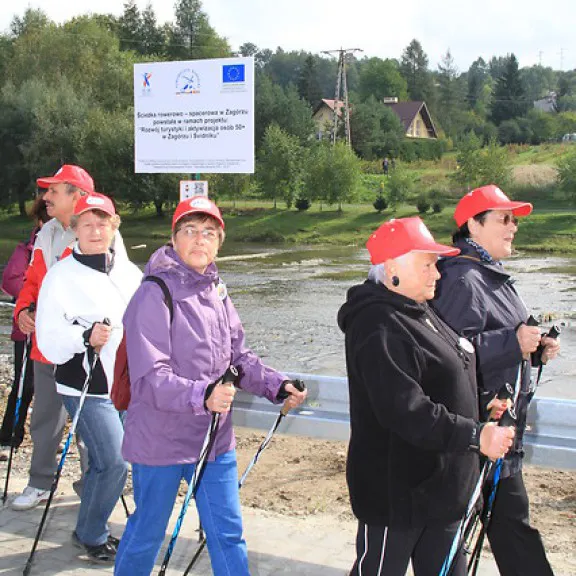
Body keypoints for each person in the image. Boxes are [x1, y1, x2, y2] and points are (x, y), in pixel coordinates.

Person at [115, 196, 307, 576]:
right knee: (147, 532)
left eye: (208, 232)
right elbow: (149, 378)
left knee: (227, 533)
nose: (199, 239)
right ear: (173, 239)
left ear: (219, 241)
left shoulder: (216, 290)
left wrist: (276, 385)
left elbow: (239, 357)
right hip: (160, 438)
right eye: (189, 230)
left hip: (214, 437)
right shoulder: (153, 293)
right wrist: (202, 395)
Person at [337, 216, 515, 576]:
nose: (438, 273)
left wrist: (479, 409)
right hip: (397, 494)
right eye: (428, 264)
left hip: (442, 489)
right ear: (391, 269)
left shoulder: (420, 310)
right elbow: (404, 409)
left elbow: (438, 384)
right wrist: (474, 434)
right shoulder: (377, 325)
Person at [432, 184, 560, 576]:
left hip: (500, 433)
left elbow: (490, 343)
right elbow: (447, 356)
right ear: (473, 224)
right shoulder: (462, 280)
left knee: (508, 528)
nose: (513, 227)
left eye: (514, 219)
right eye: (504, 218)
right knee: (443, 534)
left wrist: (533, 348)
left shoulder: (488, 274)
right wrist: (511, 342)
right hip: (476, 438)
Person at [35, 192, 142, 563]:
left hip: (127, 385)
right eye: (87, 224)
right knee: (115, 461)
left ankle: (86, 526)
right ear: (75, 230)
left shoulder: (129, 273)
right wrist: (84, 337)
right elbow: (47, 341)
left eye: (103, 223)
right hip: (85, 387)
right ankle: (93, 533)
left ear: (114, 228)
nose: (95, 231)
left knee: (104, 463)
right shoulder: (60, 277)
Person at [12, 164, 126, 511]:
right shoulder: (45, 232)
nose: (45, 197)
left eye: (53, 191)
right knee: (46, 417)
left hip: (91, 351)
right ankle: (40, 483)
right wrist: (23, 311)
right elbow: (33, 283)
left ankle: (93, 484)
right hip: (48, 347)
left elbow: (116, 291)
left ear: (76, 196)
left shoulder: (102, 234)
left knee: (91, 427)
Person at [0, 198, 49, 460]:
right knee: (24, 384)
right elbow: (10, 280)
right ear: (40, 222)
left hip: (56, 334)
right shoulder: (27, 249)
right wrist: (34, 305)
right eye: (47, 219)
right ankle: (9, 435)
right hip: (28, 330)